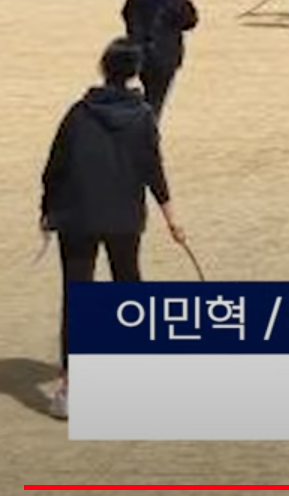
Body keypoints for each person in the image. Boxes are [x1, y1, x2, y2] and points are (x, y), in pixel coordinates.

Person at [39, 38, 185, 421]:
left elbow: (55, 165)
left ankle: (70, 389)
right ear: (135, 72)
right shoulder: (142, 116)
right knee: (128, 289)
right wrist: (171, 218)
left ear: (103, 68)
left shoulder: (78, 113)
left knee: (78, 297)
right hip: (124, 216)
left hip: (78, 215)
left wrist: (47, 210)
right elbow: (153, 169)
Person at [119, 0, 199, 119]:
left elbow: (127, 15)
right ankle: (145, 131)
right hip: (165, 56)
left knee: (149, 97)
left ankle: (142, 126)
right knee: (155, 101)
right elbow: (190, 21)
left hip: (138, 53)